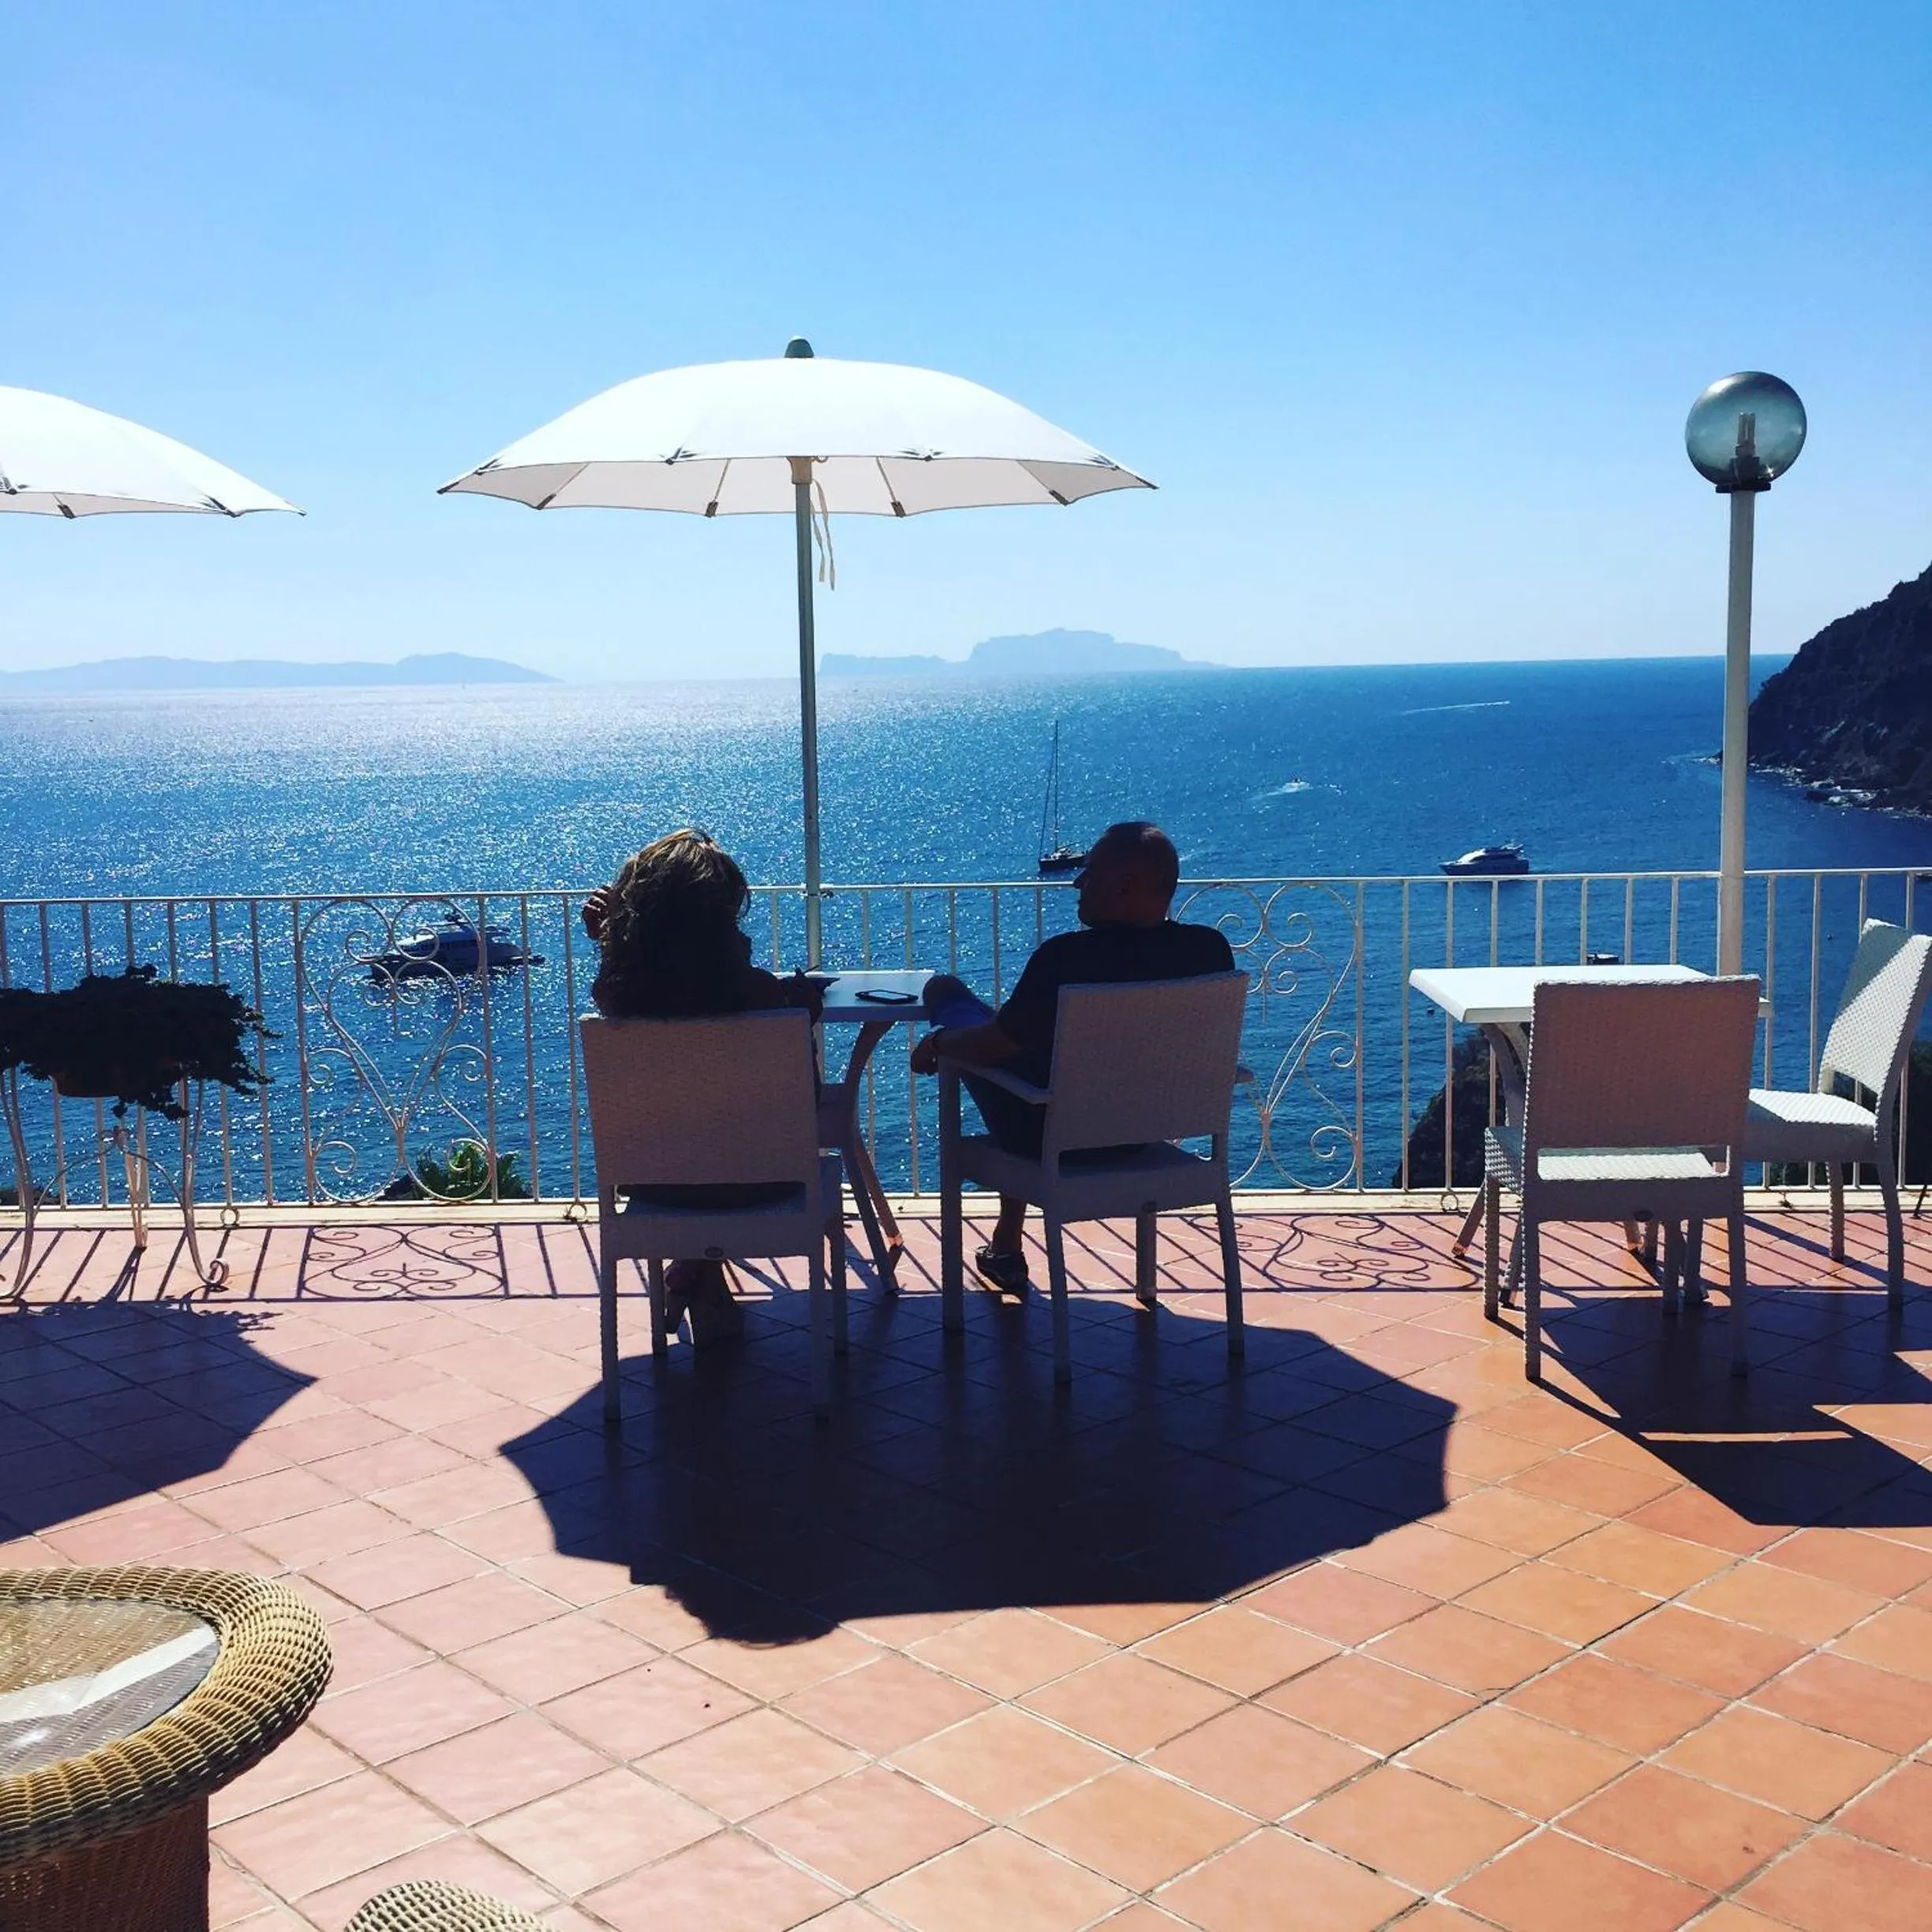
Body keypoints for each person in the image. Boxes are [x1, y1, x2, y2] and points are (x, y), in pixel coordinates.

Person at [909, 821, 1234, 1292]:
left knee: (948, 995)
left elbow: (997, 1046)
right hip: (1144, 1133)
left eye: (1090, 873)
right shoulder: (1209, 951)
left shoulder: (1065, 959)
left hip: (1046, 1135)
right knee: (1027, 1048)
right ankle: (1004, 1243)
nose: (1077, 883)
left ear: (1126, 887)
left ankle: (1006, 1246)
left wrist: (939, 1045)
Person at [583, 829, 821, 1342]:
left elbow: (636, 984)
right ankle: (697, 1276)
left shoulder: (620, 1001)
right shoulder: (760, 995)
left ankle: (696, 1274)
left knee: (699, 1141)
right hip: (764, 1185)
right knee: (725, 1142)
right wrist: (805, 1019)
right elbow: (807, 1104)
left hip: (659, 1187)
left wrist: (610, 940)